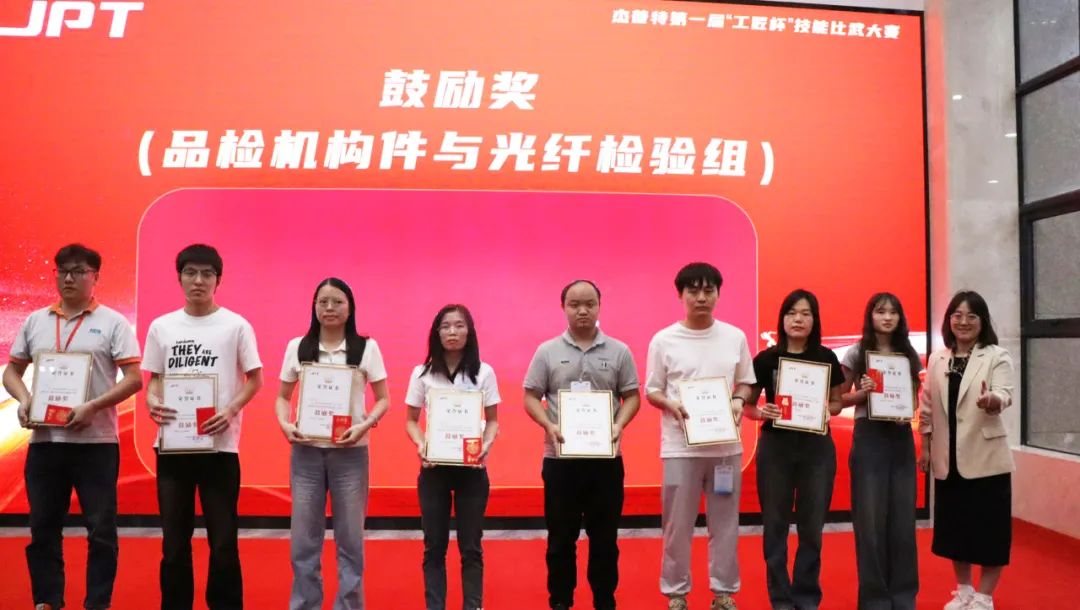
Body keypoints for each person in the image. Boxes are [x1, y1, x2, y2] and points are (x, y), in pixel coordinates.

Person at [4, 244, 143, 610]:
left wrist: (92, 406)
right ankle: (48, 600)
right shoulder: (36, 321)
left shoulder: (112, 323)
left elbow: (134, 379)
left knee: (101, 530)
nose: (69, 278)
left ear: (95, 277)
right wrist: (24, 399)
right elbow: (11, 372)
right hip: (45, 442)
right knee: (43, 527)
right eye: (62, 270)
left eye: (79, 271)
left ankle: (97, 603)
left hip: (96, 443)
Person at [143, 244, 263, 610]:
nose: (198, 280)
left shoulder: (236, 325)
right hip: (173, 447)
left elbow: (255, 379)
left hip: (219, 447)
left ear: (218, 280)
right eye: (190, 272)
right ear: (179, 278)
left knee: (223, 540)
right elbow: (154, 380)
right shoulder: (162, 326)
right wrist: (152, 401)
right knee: (173, 541)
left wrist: (230, 410)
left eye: (207, 274)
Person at [523, 279, 641, 610]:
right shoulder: (547, 351)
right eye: (575, 304)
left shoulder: (619, 351)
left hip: (606, 460)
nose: (582, 310)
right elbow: (530, 396)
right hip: (560, 460)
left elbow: (632, 396)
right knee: (561, 539)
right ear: (564, 308)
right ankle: (561, 601)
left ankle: (604, 600)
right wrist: (548, 424)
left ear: (599, 306)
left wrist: (618, 425)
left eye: (589, 303)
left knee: (605, 539)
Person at [644, 262, 756, 610]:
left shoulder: (734, 337)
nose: (701, 297)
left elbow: (746, 382)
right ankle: (676, 592)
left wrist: (738, 401)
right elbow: (652, 390)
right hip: (681, 448)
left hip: (725, 448)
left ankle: (723, 592)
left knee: (725, 523)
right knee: (677, 525)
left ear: (719, 294)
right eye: (693, 291)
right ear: (680, 295)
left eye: (709, 290)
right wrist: (671, 404)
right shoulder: (664, 340)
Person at [275, 277, 389, 610]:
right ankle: (305, 604)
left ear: (350, 308)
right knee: (303, 540)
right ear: (314, 307)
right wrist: (285, 424)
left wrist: (365, 424)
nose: (329, 308)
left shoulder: (365, 348)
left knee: (350, 539)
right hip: (306, 453)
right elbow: (282, 397)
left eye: (337, 302)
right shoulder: (298, 346)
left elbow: (384, 398)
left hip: (351, 455)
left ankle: (349, 605)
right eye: (323, 302)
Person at [744, 289, 844, 610]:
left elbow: (838, 401)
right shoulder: (766, 359)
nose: (798, 319)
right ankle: (781, 599)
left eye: (805, 313)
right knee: (775, 526)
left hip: (817, 448)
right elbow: (747, 406)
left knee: (811, 527)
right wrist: (763, 412)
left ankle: (806, 597)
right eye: (791, 313)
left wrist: (828, 410)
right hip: (777, 449)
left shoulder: (826, 357)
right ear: (782, 319)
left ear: (814, 320)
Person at [919, 291, 1014, 610]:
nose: (963, 322)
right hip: (948, 459)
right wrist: (926, 446)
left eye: (972, 316)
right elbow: (927, 407)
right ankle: (964, 591)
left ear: (982, 321)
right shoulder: (938, 358)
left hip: (985, 458)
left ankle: (984, 597)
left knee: (990, 530)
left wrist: (992, 400)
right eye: (957, 315)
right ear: (949, 320)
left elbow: (1005, 393)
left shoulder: (996, 355)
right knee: (954, 529)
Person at [404, 304, 499, 610]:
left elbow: (493, 420)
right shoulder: (422, 374)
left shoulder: (484, 372)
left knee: (471, 547)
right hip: (434, 469)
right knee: (434, 547)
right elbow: (411, 420)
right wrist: (421, 444)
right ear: (436, 333)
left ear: (469, 332)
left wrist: (486, 444)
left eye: (459, 325)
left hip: (472, 470)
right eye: (445, 326)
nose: (452, 332)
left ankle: (473, 606)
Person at [840, 293, 922, 610]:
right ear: (870, 316)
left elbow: (913, 398)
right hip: (869, 436)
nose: (887, 317)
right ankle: (874, 600)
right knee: (870, 521)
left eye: (893, 312)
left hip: (900, 436)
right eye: (880, 311)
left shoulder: (907, 353)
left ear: (900, 318)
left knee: (903, 521)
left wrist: (907, 412)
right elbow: (837, 400)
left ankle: (903, 598)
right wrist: (862, 394)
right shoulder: (856, 352)